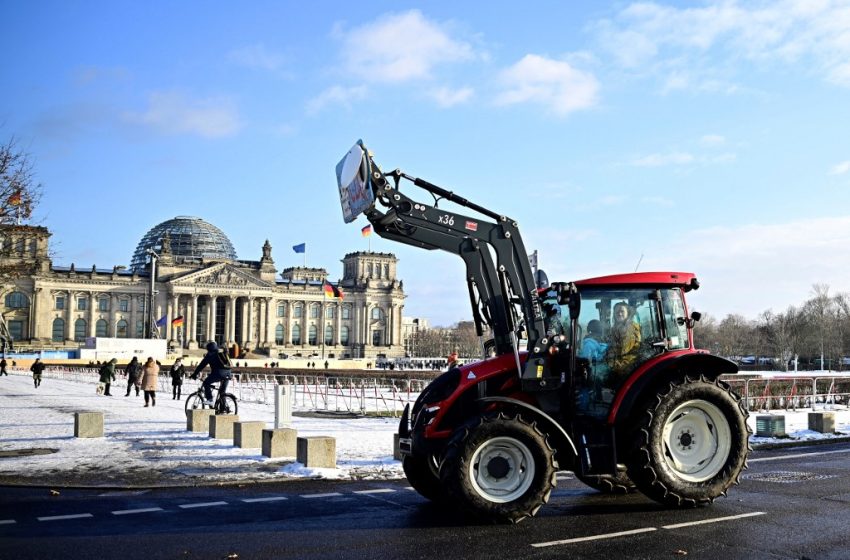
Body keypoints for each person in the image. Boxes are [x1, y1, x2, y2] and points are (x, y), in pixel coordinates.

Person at [191, 341, 232, 406]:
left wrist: (194, 374)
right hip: (228, 373)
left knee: (206, 383)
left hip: (219, 373)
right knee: (222, 392)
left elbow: (201, 365)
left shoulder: (210, 355)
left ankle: (210, 399)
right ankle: (223, 408)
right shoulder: (221, 352)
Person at [606, 302, 641, 378]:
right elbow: (611, 349)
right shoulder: (614, 330)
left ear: (628, 313)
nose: (619, 314)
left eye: (622, 311)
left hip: (629, 369)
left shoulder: (632, 329)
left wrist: (616, 367)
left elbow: (631, 354)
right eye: (617, 312)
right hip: (617, 366)